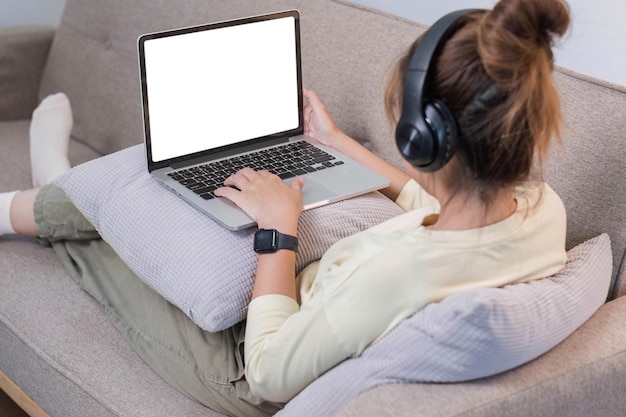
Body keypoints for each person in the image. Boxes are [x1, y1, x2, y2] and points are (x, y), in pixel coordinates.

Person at [0, 0, 570, 415]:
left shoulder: (397, 278)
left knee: (123, 229)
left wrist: (279, 229)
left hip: (246, 365)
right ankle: (61, 185)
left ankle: (46, 188)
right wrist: (335, 142)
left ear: (423, 140)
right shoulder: (540, 210)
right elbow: (434, 199)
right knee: (156, 185)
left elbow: (269, 372)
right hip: (304, 300)